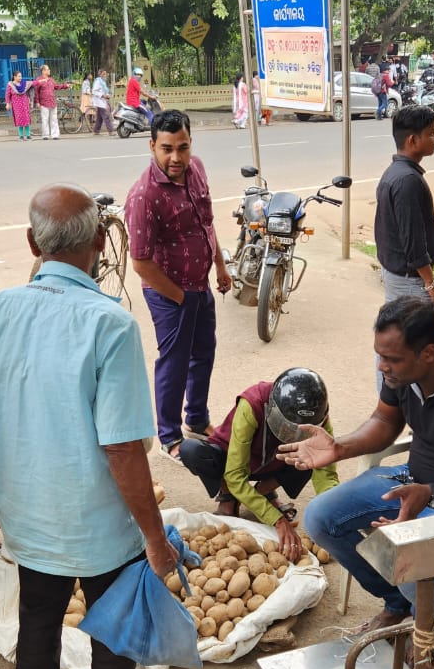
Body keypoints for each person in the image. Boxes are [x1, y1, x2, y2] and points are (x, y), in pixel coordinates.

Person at [0, 182, 174, 669]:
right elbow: (124, 450)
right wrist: (155, 539)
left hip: (29, 515)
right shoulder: (110, 324)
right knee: (115, 625)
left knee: (38, 618)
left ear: (32, 242)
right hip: (99, 524)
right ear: (101, 243)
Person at [283, 298, 434, 630]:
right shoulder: (402, 375)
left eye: (391, 359)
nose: (381, 366)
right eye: (379, 355)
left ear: (429, 353)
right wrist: (339, 448)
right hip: (410, 479)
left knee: (406, 555)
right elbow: (385, 420)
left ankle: (428, 621)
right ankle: (398, 603)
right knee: (320, 518)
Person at [124, 110, 232, 463]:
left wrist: (220, 266)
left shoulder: (196, 168)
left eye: (182, 148)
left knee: (204, 352)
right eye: (167, 148)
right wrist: (181, 297)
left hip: (200, 285)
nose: (176, 158)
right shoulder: (145, 196)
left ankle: (197, 420)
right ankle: (170, 436)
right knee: (174, 361)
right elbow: (140, 262)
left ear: (190, 145)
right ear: (152, 145)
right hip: (170, 293)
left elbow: (206, 223)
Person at [179, 368, 339, 559]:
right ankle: (229, 495)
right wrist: (277, 520)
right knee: (191, 451)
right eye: (288, 428)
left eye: (301, 431)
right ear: (272, 409)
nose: (292, 436)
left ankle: (263, 491)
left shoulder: (320, 420)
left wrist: (334, 516)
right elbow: (235, 475)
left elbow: (326, 474)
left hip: (277, 462)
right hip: (234, 461)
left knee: (312, 457)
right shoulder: (253, 403)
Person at [375, 105, 434, 308]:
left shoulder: (396, 173)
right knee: (418, 337)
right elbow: (413, 242)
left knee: (402, 334)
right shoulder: (407, 181)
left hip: (399, 275)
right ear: (412, 140)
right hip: (410, 282)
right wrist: (430, 283)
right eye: (431, 133)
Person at [33, 64, 69, 141]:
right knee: (45, 119)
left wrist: (65, 86)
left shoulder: (51, 80)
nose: (49, 71)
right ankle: (45, 135)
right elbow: (36, 92)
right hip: (44, 103)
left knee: (54, 119)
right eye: (48, 69)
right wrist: (37, 102)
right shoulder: (39, 80)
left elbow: (57, 86)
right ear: (43, 71)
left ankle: (55, 134)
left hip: (52, 102)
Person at [5, 69, 34, 141]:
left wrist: (30, 100)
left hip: (25, 104)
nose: (20, 78)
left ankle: (28, 135)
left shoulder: (24, 84)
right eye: (19, 76)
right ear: (14, 77)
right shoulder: (10, 85)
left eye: (21, 76)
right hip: (16, 105)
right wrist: (8, 103)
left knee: (26, 119)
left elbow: (33, 84)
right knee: (19, 119)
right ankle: (21, 136)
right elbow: (7, 95)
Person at [92, 68, 115, 136]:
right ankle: (111, 131)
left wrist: (107, 95)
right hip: (99, 101)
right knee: (106, 116)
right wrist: (103, 96)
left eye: (105, 74)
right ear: (100, 74)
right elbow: (94, 91)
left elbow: (104, 91)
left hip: (102, 102)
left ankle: (96, 130)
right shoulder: (98, 81)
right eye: (103, 74)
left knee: (99, 117)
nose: (105, 75)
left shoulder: (103, 82)